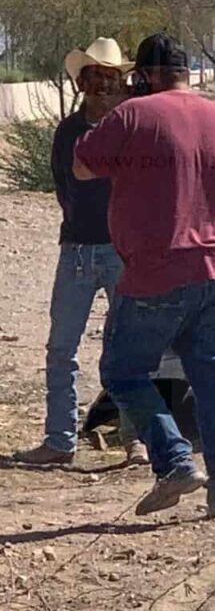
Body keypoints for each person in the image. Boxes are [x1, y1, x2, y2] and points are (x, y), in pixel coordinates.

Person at [73, 33, 215, 518]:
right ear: (187, 73)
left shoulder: (132, 116)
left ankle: (175, 461)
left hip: (157, 271)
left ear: (142, 76)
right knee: (213, 381)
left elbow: (81, 166)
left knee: (123, 370)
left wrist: (118, 112)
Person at [15, 38, 148, 467]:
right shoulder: (68, 132)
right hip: (75, 250)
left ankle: (136, 441)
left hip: (122, 250)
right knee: (61, 350)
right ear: (82, 83)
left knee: (128, 348)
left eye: (111, 77)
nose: (103, 85)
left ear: (122, 82)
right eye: (95, 77)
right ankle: (59, 441)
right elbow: (62, 186)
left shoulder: (134, 129)